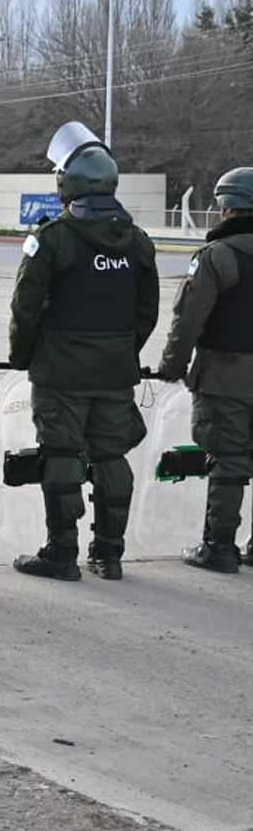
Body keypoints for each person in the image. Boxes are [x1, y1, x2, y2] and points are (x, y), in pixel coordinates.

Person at [9, 122, 159, 582]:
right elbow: (147, 311)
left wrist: (24, 356)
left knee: (61, 457)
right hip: (114, 371)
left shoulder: (52, 239)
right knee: (112, 458)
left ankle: (61, 552)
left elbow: (25, 307)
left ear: (67, 183)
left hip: (61, 373)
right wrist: (121, 349)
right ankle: (109, 553)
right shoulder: (137, 241)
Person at [157, 166, 253, 573]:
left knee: (228, 460)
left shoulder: (219, 257)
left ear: (228, 207)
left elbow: (189, 319)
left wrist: (172, 366)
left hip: (227, 375)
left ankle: (219, 546)